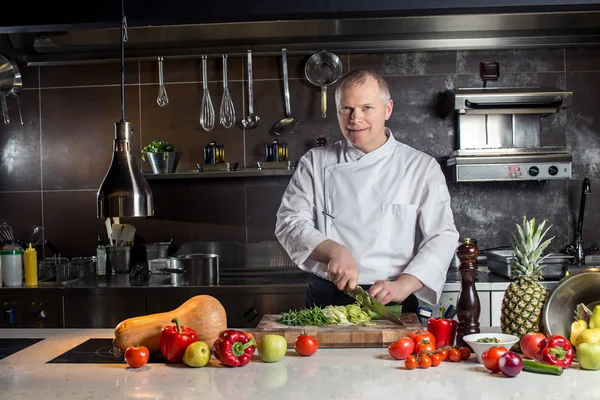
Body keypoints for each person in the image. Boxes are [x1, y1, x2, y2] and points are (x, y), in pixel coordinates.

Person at [274, 68, 459, 313]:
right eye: (346, 109)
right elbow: (289, 222)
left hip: (393, 297)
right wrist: (333, 251)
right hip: (328, 297)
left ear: (388, 109)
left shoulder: (420, 167)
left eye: (366, 108)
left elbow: (442, 236)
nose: (355, 118)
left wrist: (405, 284)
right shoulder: (315, 162)